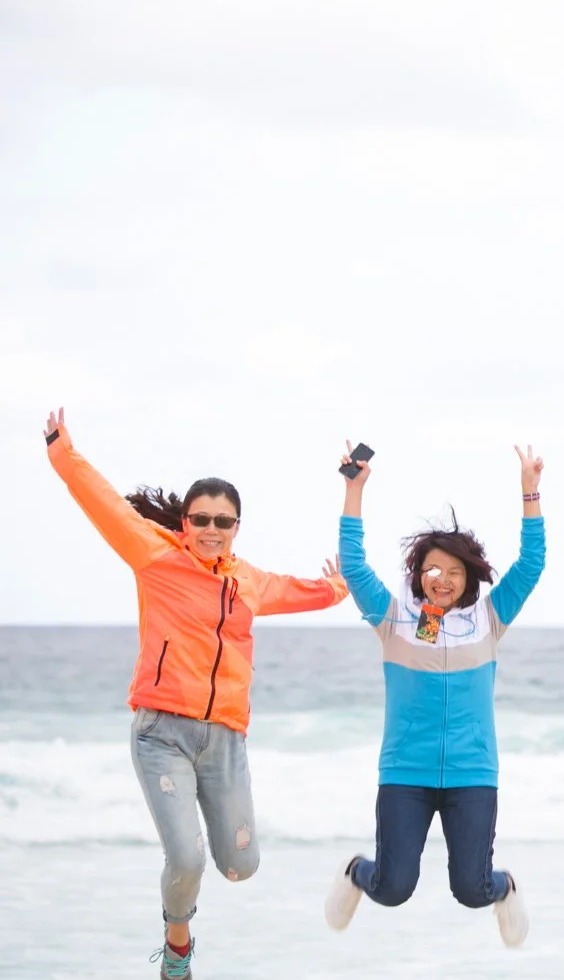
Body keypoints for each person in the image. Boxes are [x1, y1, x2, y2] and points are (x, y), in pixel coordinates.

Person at [42, 407, 347, 979]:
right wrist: (63, 452)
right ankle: (177, 944)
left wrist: (335, 587)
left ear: (237, 527)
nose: (210, 528)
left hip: (225, 739)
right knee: (187, 857)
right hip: (162, 732)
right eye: (200, 518)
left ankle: (198, 896)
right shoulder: (154, 556)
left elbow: (297, 591)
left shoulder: (247, 580)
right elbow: (102, 502)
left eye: (223, 520)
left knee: (240, 867)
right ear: (184, 522)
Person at [323, 441, 545, 946]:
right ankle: (355, 871)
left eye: (453, 571)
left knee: (471, 889)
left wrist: (530, 492)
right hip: (406, 772)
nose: (440, 579)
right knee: (392, 887)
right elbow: (354, 565)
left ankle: (505, 887)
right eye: (431, 569)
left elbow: (532, 565)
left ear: (468, 577)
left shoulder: (489, 619)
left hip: (472, 773)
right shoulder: (394, 618)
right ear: (418, 573)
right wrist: (354, 490)